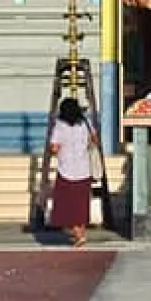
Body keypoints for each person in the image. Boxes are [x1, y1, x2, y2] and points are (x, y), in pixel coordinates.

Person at [47, 97, 94, 248]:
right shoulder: (85, 123)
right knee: (81, 204)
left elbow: (54, 147)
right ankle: (81, 232)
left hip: (66, 169)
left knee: (67, 205)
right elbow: (94, 139)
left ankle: (78, 234)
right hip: (84, 168)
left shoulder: (60, 126)